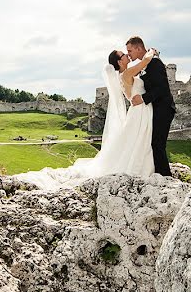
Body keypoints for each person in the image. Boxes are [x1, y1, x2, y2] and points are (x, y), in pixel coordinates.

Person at [13, 47, 157, 189]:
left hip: (141, 110)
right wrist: (150, 53)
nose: (127, 55)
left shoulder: (126, 74)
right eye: (124, 54)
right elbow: (145, 62)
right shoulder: (125, 75)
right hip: (139, 110)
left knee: (137, 141)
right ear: (119, 62)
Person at [127, 36, 176, 177]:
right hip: (156, 109)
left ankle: (165, 176)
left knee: (157, 143)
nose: (129, 54)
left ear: (138, 48)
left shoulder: (155, 63)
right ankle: (159, 173)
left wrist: (143, 98)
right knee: (153, 142)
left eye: (130, 51)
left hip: (164, 109)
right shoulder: (147, 63)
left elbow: (161, 88)